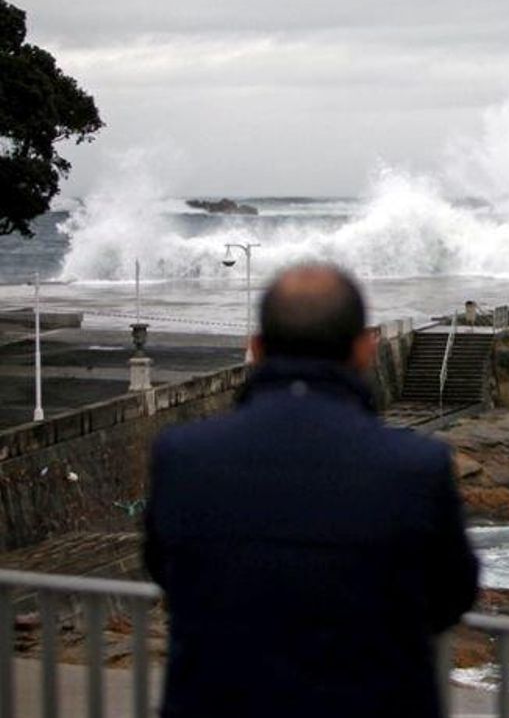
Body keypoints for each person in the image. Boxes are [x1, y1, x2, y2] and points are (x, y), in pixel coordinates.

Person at [143, 264, 479, 718]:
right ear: (365, 349)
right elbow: (452, 593)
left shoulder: (183, 456)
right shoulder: (415, 465)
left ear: (256, 348)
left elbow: (165, 568)